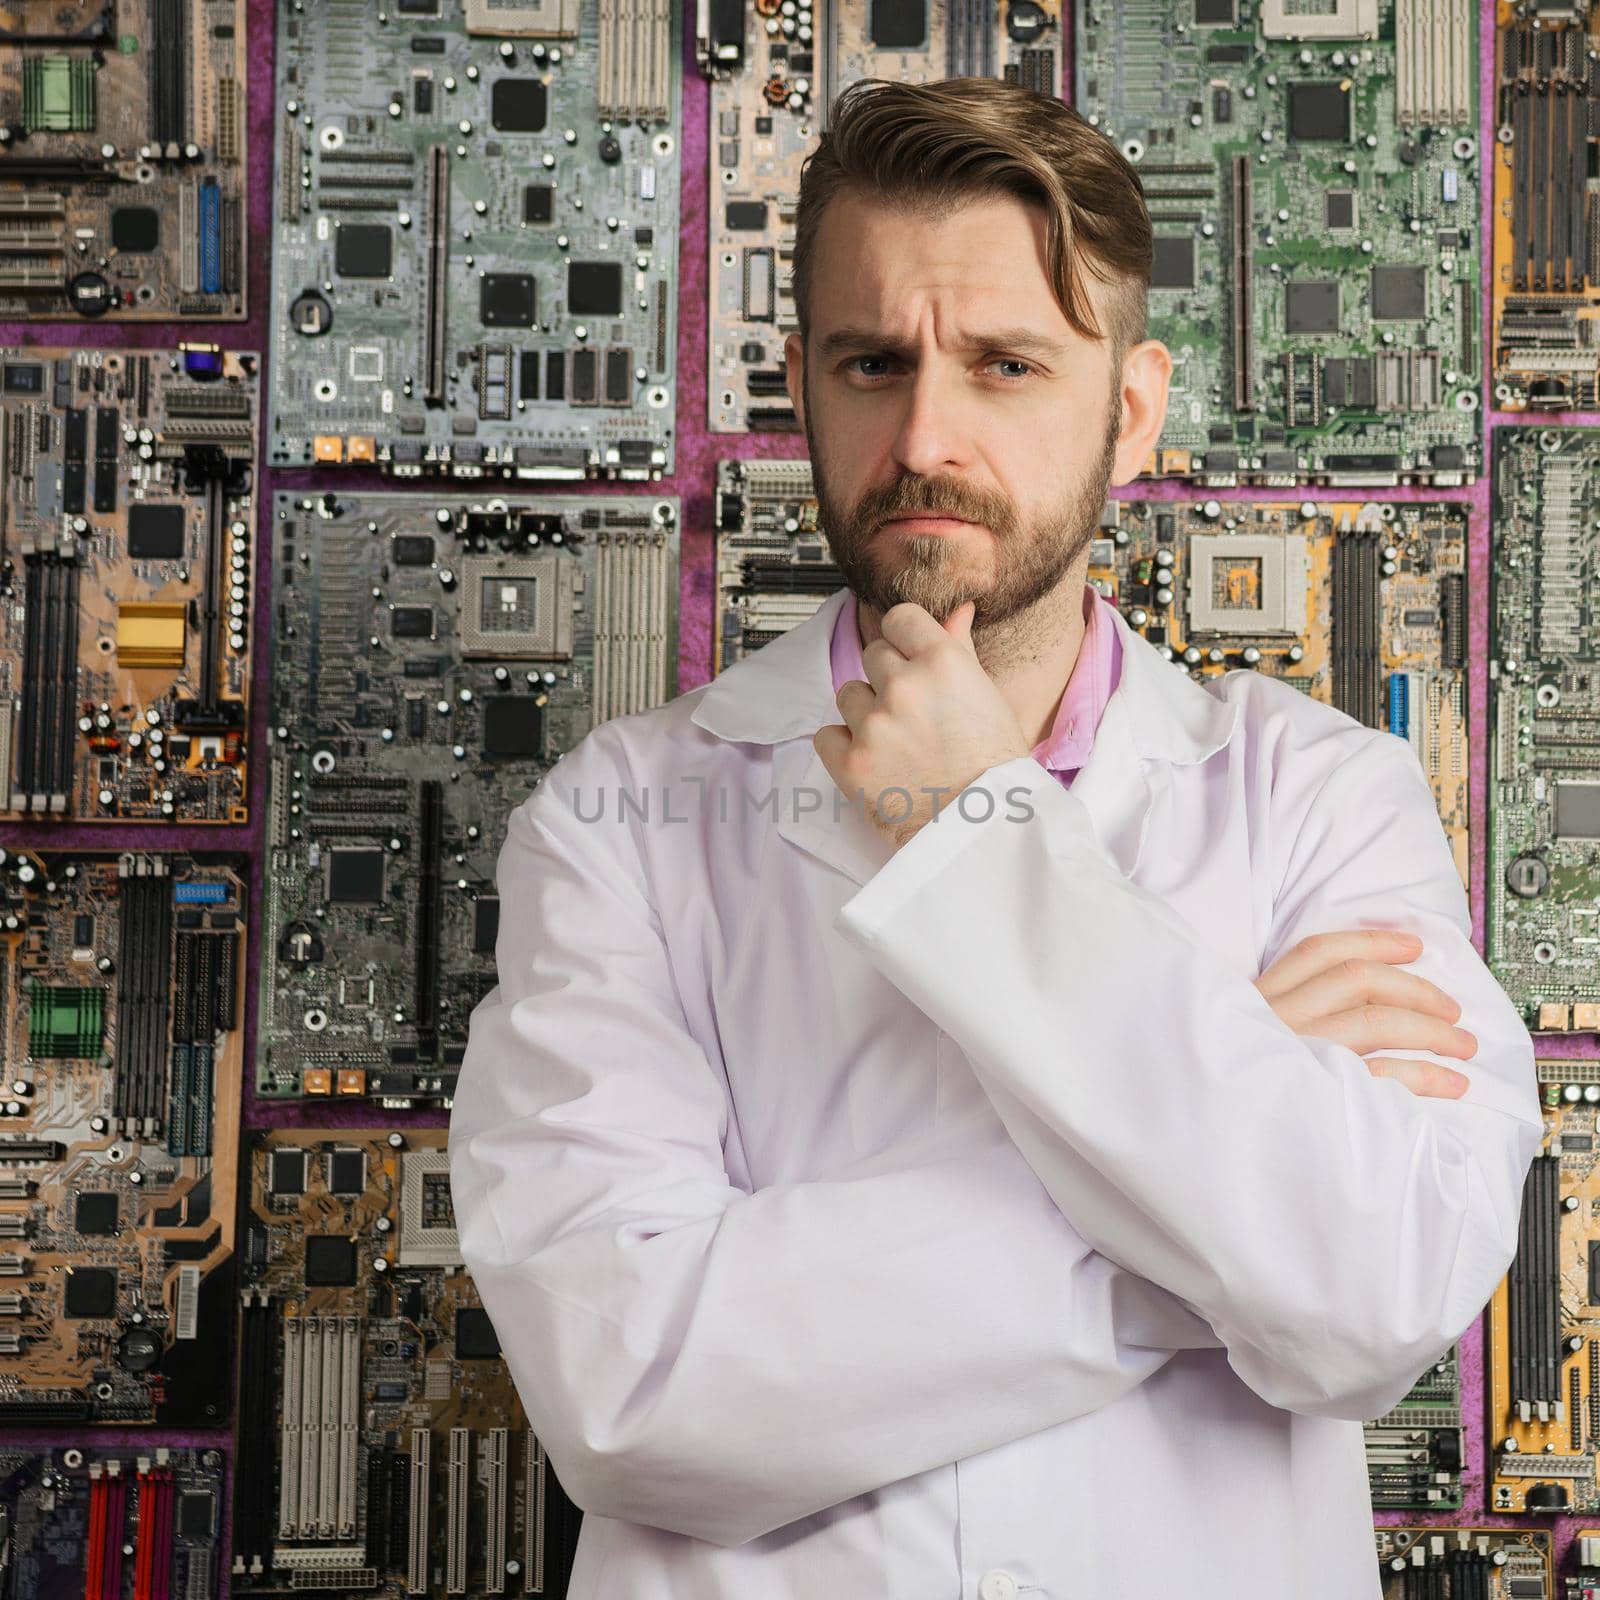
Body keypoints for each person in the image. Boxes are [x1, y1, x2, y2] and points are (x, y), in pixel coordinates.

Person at [448, 77, 1541, 1600]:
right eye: (872, 362)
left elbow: (1380, 1293)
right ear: (803, 388)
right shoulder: (618, 825)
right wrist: (1204, 1198)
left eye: (1008, 363)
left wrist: (979, 837)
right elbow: (636, 1391)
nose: (925, 436)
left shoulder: (1319, 798)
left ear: (1133, 408)